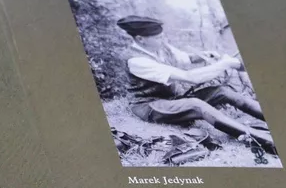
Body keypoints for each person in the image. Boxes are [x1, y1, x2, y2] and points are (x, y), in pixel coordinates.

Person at [117, 15, 276, 153]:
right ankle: (265, 141)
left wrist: (204, 56)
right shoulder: (137, 61)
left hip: (173, 99)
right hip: (150, 106)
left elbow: (186, 58)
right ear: (141, 39)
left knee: (221, 91)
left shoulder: (161, 47)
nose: (163, 40)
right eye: (158, 38)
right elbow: (190, 77)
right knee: (196, 105)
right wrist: (224, 64)